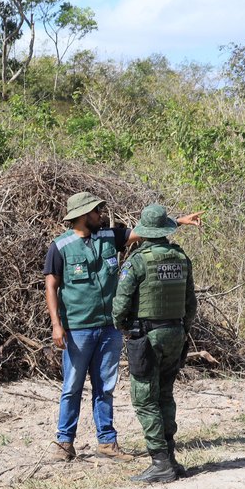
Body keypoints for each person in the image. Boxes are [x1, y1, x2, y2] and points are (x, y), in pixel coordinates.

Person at [43, 192, 201, 463]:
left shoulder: (109, 237)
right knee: (72, 386)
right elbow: (51, 285)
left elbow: (146, 230)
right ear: (82, 216)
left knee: (105, 387)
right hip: (78, 329)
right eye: (95, 212)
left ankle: (106, 442)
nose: (100, 215)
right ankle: (64, 443)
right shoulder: (60, 247)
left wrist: (180, 221)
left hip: (110, 328)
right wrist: (57, 325)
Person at [112, 204, 198, 483]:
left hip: (148, 335)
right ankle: (170, 458)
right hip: (175, 332)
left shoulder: (138, 261)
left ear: (146, 232)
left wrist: (124, 326)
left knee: (145, 397)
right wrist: (183, 329)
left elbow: (121, 304)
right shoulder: (181, 258)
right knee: (165, 394)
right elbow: (190, 302)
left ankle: (160, 461)